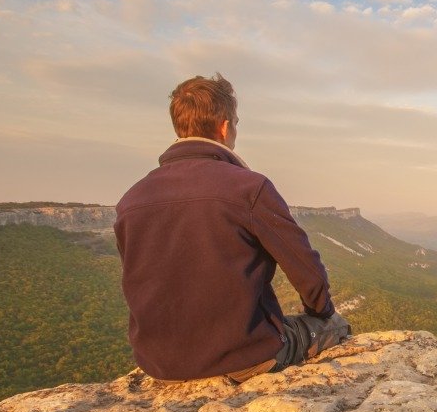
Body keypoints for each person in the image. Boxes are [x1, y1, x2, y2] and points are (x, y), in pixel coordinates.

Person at [115, 73, 350, 382]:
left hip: (160, 366)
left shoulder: (131, 200)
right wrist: (321, 311)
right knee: (337, 326)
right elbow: (306, 269)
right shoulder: (249, 188)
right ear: (224, 126)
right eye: (236, 123)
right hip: (242, 357)